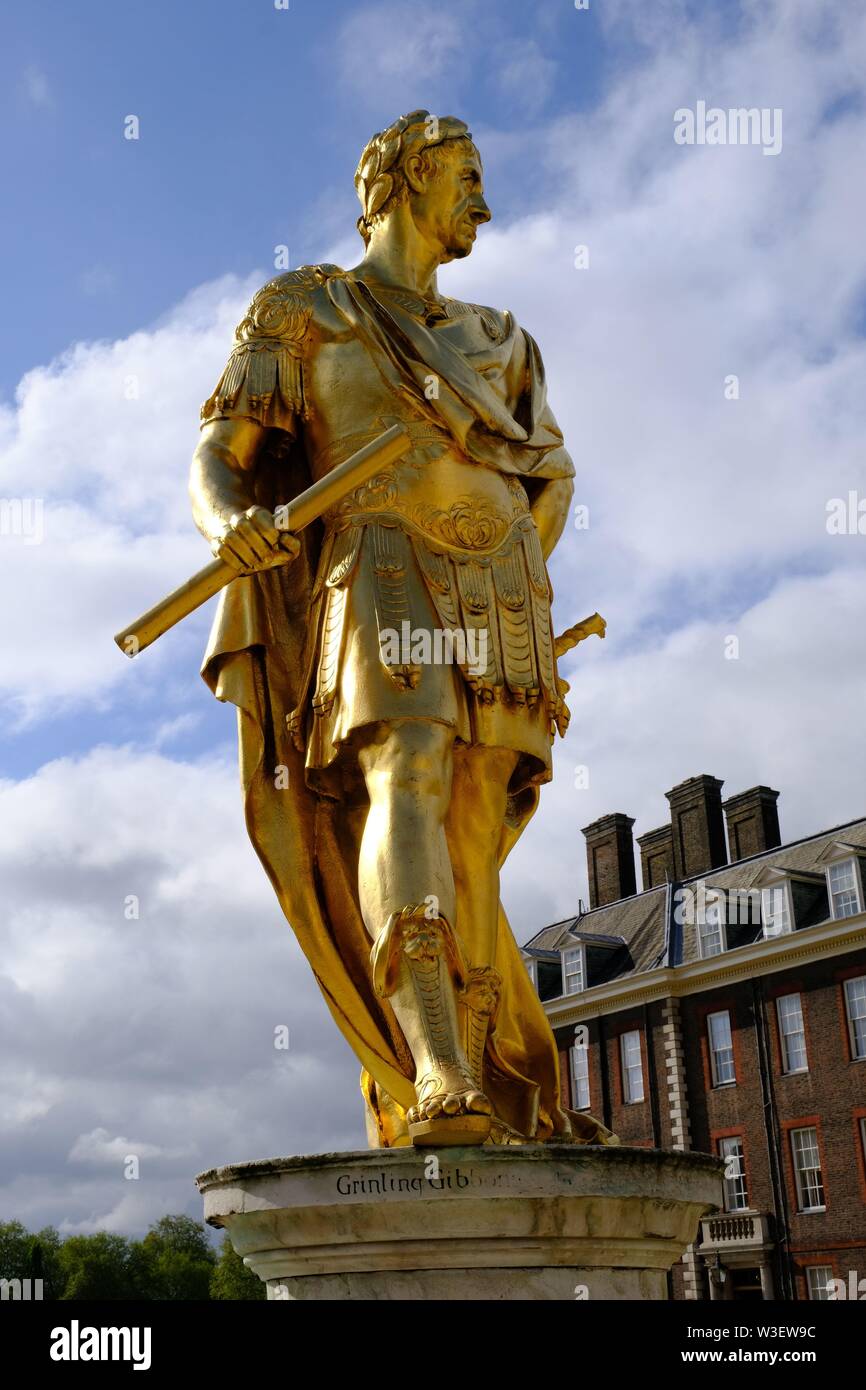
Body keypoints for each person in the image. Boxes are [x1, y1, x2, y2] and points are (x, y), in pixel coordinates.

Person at [190, 109, 615, 1148]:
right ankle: (433, 1068)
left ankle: (482, 1070)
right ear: (405, 176)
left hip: (501, 584)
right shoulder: (306, 308)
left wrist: (523, 564)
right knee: (407, 772)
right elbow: (222, 450)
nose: (483, 199)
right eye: (466, 175)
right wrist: (230, 522)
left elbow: (549, 473)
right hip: (376, 562)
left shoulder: (502, 339)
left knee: (471, 828)